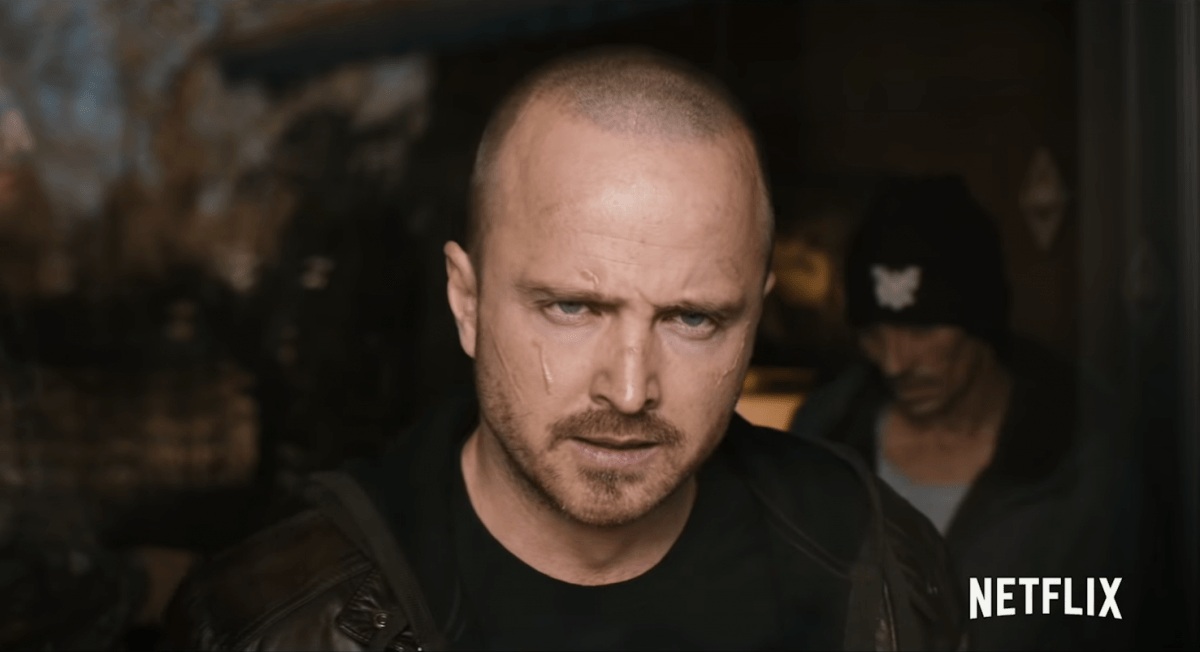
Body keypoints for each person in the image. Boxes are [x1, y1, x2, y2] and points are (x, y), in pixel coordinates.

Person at [161, 47, 963, 651]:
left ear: (755, 316)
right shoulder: (268, 622)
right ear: (467, 302)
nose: (629, 390)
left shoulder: (878, 563)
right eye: (573, 308)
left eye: (693, 320)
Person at [788, 176, 1144, 651]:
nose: (895, 362)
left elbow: (1135, 622)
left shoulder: (1083, 457)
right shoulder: (822, 438)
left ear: (982, 322)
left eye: (922, 330)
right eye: (874, 334)